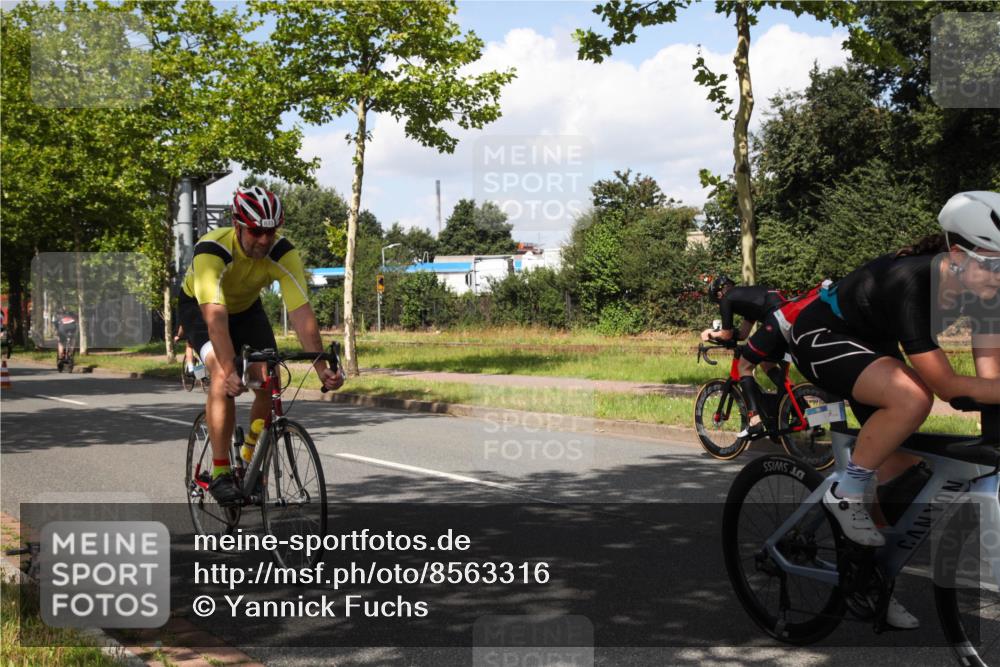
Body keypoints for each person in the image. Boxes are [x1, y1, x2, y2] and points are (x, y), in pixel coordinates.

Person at [789, 190, 1000, 629]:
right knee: (912, 397)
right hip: (822, 335)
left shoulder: (986, 293)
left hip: (873, 345)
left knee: (905, 477)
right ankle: (843, 489)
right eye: (996, 262)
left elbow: (988, 380)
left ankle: (869, 581)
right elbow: (945, 386)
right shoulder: (914, 281)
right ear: (958, 255)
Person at [178, 185, 344, 505]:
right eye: (256, 232)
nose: (265, 240)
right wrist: (228, 369)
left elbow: (301, 312)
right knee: (221, 377)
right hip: (202, 309)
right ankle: (221, 471)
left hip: (246, 310)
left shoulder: (282, 253)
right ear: (238, 225)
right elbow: (216, 319)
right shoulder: (212, 251)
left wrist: (322, 367)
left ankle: (250, 456)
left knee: (270, 378)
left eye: (271, 231)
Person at [701, 275, 790, 437]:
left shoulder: (726, 298)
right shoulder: (749, 297)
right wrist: (729, 336)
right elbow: (742, 334)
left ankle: (754, 420)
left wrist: (711, 333)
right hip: (789, 318)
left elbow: (727, 334)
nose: (719, 302)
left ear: (719, 293)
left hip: (776, 320)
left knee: (744, 366)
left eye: (717, 299)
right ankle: (796, 401)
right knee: (767, 364)